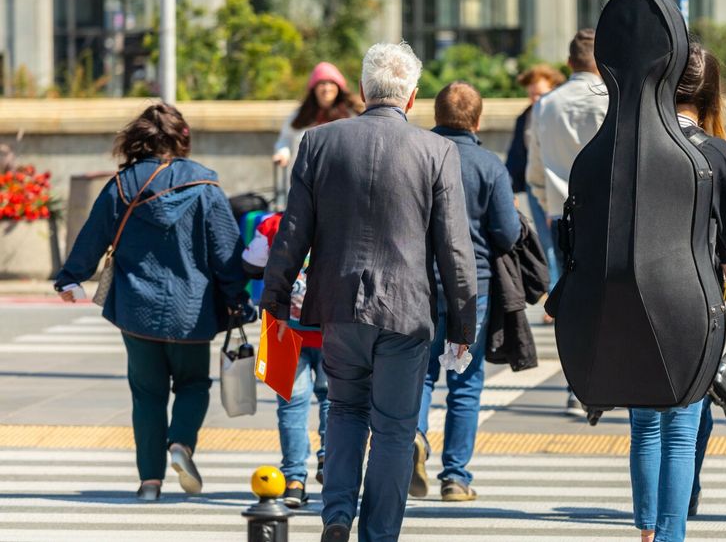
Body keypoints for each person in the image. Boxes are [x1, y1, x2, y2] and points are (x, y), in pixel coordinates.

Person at [261, 42, 478, 542]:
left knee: (344, 410)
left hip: (338, 307)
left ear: (361, 90)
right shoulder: (437, 150)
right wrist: (463, 325)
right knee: (395, 429)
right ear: (413, 97)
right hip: (407, 312)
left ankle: (337, 515)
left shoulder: (317, 143)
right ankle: (379, 534)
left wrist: (273, 302)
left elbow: (294, 232)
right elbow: (454, 249)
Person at [54, 104, 247, 502]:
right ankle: (181, 444)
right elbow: (227, 254)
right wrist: (236, 298)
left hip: (136, 308)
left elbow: (92, 237)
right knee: (193, 384)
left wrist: (70, 276)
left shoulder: (121, 186)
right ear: (182, 137)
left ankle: (149, 483)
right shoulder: (206, 187)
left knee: (147, 393)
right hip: (192, 310)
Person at [628, 43, 726, 542]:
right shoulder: (714, 151)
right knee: (682, 428)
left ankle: (646, 532)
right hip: (694, 298)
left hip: (634, 300)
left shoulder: (635, 143)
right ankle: (669, 535)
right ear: (711, 93)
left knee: (644, 423)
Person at [413, 82, 521, 502]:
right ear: (478, 121)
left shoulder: (417, 155)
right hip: (471, 288)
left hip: (418, 284)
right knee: (466, 381)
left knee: (419, 374)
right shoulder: (489, 164)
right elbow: (507, 233)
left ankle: (415, 440)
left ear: (435, 116)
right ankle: (455, 478)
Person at [526, 29, 607, 416]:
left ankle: (577, 385)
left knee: (572, 302)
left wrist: (547, 206)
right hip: (609, 214)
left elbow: (536, 170)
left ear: (569, 63)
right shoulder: (614, 102)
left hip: (564, 215)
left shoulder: (545, 106)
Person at [242, 212, 329, 508]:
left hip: (281, 326)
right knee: (336, 401)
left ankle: (293, 481)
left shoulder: (272, 224)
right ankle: (329, 461)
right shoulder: (342, 218)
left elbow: (251, 265)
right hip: (334, 327)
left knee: (290, 406)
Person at [507, 64, 565, 295]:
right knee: (546, 242)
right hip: (534, 186)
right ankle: (553, 293)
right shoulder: (526, 117)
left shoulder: (558, 113)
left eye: (540, 93)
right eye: (531, 94)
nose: (535, 98)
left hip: (558, 184)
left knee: (559, 242)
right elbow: (516, 155)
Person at [272, 61, 361, 169]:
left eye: (331, 83)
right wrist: (283, 154)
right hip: (303, 179)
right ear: (314, 88)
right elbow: (286, 139)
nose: (327, 88)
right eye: (322, 83)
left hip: (338, 180)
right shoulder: (300, 115)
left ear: (338, 87)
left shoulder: (350, 116)